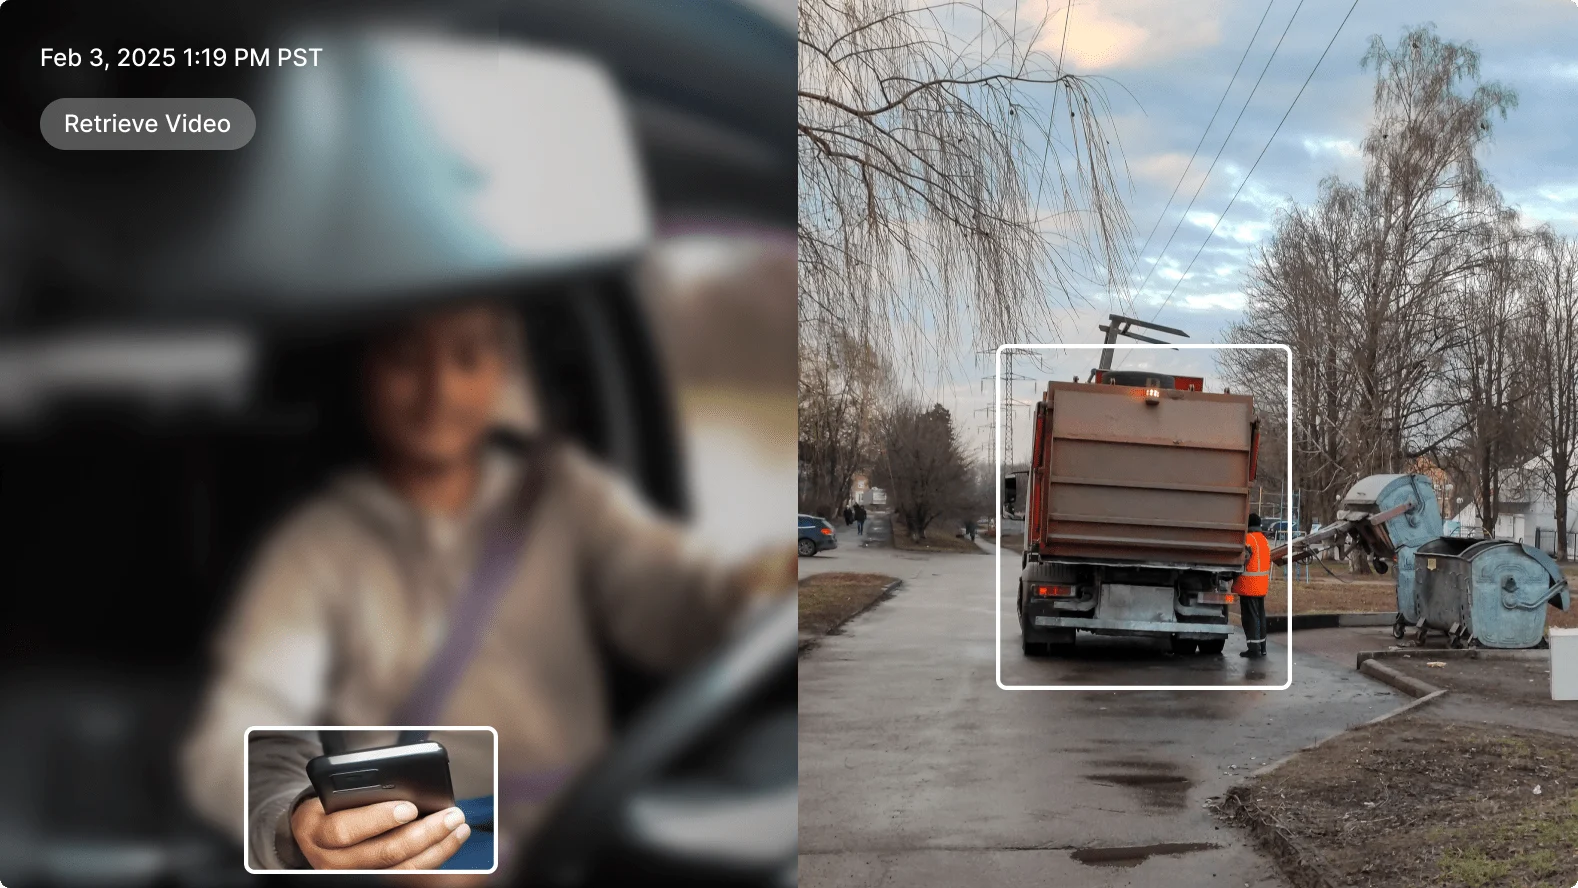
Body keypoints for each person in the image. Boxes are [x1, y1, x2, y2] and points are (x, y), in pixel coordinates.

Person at [180, 303, 792, 877]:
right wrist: (294, 819)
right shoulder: (315, 546)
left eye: (468, 356)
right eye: (403, 357)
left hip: (582, 842)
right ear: (362, 370)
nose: (437, 389)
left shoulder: (566, 496)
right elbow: (238, 728)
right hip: (420, 859)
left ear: (501, 369)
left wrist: (749, 584)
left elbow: (673, 601)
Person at [1234, 513, 1272, 658]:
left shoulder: (1248, 540)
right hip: (1261, 586)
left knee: (1250, 618)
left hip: (1249, 586)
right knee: (1260, 616)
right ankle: (1262, 647)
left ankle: (1253, 649)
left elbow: (1243, 559)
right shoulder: (1264, 540)